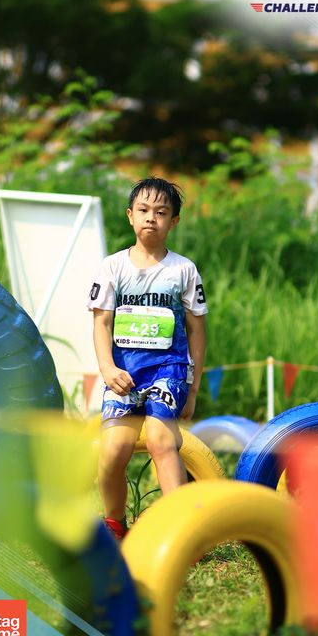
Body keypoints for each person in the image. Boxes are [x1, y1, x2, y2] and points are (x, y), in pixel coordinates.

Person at [87, 177, 207, 540]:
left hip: (168, 372)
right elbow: (101, 323)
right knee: (113, 451)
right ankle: (114, 524)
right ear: (130, 216)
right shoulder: (112, 267)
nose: (151, 217)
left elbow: (197, 331)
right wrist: (107, 369)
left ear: (174, 221)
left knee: (160, 440)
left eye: (161, 212)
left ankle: (181, 529)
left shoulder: (184, 271)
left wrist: (193, 387)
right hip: (124, 375)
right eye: (143, 210)